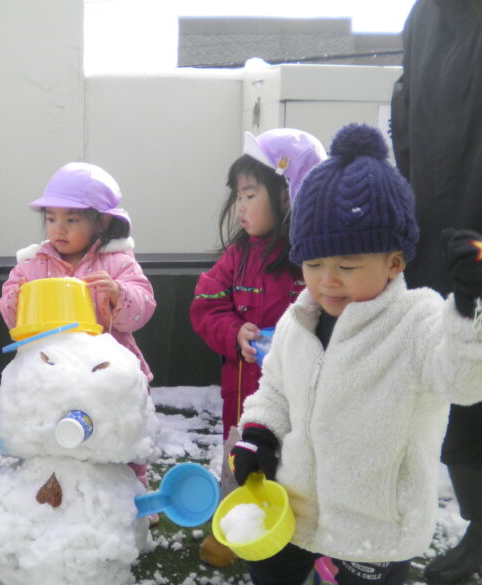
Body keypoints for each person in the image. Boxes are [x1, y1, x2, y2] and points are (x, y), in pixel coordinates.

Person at [227, 123, 482, 585]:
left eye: (346, 266)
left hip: (377, 529)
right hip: (294, 509)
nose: (327, 281)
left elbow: (465, 382)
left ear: (394, 262)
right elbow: (275, 391)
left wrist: (470, 309)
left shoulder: (418, 321)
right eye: (314, 264)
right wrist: (259, 433)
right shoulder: (297, 321)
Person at [190, 128, 326, 567]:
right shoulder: (238, 256)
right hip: (245, 395)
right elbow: (205, 306)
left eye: (250, 194)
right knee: (242, 459)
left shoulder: (312, 258)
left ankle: (300, 538)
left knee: (299, 467)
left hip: (306, 401)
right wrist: (234, 332)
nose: (240, 206)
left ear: (287, 196)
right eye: (238, 195)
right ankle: (234, 528)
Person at [0, 161, 157, 513]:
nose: (59, 229)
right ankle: (60, 491)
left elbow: (143, 308)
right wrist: (17, 297)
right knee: (53, 431)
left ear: (101, 221)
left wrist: (118, 293)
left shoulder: (117, 262)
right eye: (51, 219)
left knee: (120, 430)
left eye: (72, 219)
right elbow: (12, 318)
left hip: (105, 370)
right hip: (53, 371)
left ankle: (135, 489)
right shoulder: (33, 264)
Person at [390, 2, 482, 583]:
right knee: (452, 382)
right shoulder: (424, 16)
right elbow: (407, 116)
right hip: (437, 228)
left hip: (447, 224)